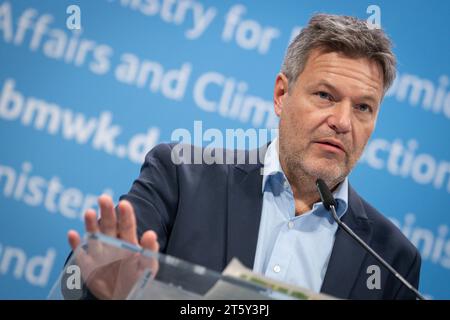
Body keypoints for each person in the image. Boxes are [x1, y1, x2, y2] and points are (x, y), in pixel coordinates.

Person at [67, 14, 421, 299]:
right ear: (282, 94)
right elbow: (89, 278)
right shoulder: (180, 177)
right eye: (325, 96)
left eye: (363, 107)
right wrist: (102, 292)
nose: (343, 122)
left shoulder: (392, 260)